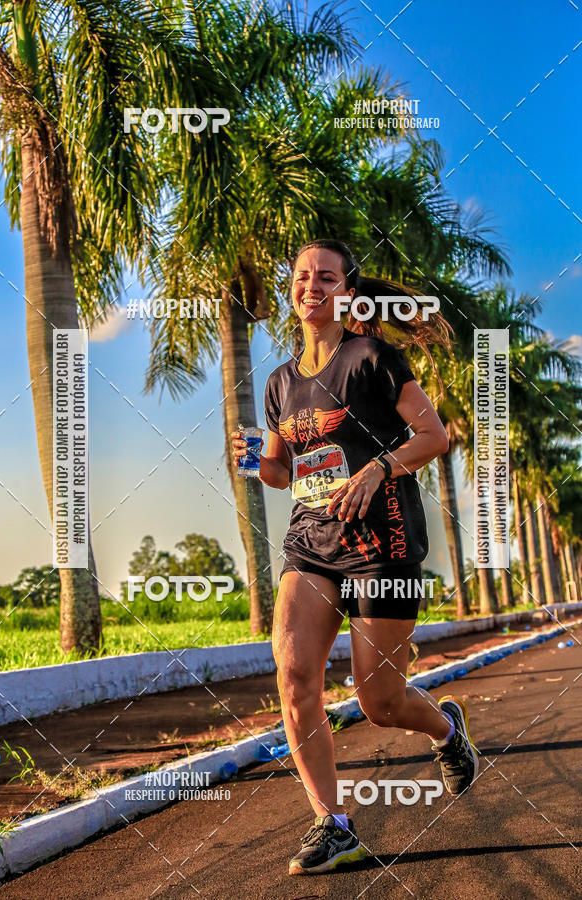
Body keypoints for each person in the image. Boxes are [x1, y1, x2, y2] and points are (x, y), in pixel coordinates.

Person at [230, 238, 479, 877]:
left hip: (384, 548)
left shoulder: (372, 358)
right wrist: (258, 462)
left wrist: (379, 468)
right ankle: (332, 825)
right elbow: (284, 474)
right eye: (303, 277)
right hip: (311, 544)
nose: (313, 285)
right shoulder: (281, 383)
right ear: (292, 290)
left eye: (328, 277)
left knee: (380, 703)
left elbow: (434, 435)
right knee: (294, 677)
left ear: (347, 293)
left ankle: (447, 731)